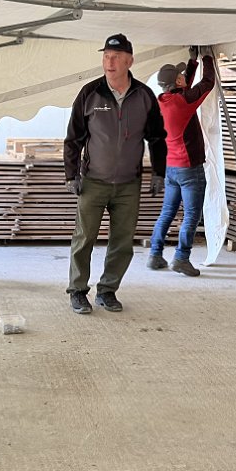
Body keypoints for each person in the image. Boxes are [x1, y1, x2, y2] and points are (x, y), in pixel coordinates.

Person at [64, 33, 167, 314]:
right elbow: (73, 138)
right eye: (106, 56)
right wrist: (71, 174)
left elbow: (157, 138)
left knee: (122, 242)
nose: (109, 62)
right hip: (93, 181)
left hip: (128, 184)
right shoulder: (90, 93)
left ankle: (108, 290)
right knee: (84, 238)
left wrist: (159, 173)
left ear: (129, 61)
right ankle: (77, 291)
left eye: (116, 57)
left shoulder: (144, 95)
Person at [148, 47, 218, 276]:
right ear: (177, 82)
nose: (183, 77)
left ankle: (155, 255)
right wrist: (207, 58)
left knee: (167, 212)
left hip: (171, 168)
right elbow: (207, 83)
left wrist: (192, 62)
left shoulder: (161, 101)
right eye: (181, 76)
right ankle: (181, 258)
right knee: (191, 216)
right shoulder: (183, 101)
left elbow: (184, 87)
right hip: (189, 169)